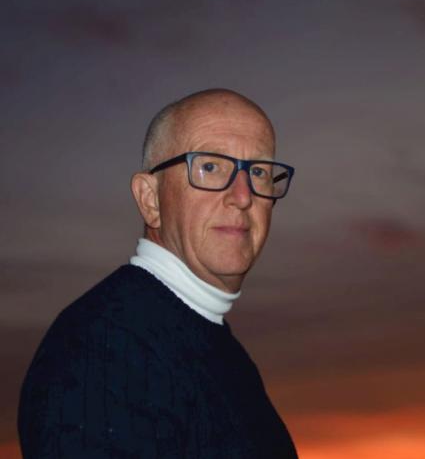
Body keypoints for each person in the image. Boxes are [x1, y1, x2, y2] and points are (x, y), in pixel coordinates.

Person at [18, 89, 297, 458]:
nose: (243, 196)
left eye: (258, 172)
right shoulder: (104, 351)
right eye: (210, 167)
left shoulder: (217, 352)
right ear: (150, 199)